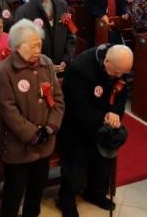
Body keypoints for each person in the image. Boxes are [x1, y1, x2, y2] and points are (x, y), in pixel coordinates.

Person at [0, 19, 64, 217]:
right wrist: (32, 134)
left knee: (36, 191)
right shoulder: (5, 70)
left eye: (39, 44)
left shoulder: (46, 63)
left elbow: (58, 99)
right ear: (18, 47)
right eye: (32, 45)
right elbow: (8, 109)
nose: (38, 50)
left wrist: (50, 127)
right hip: (17, 146)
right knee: (13, 193)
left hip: (45, 143)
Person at [57, 44, 133, 216]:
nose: (119, 76)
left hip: (103, 121)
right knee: (75, 165)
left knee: (103, 162)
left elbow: (122, 93)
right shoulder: (80, 69)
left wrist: (115, 113)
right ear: (106, 61)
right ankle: (66, 200)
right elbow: (77, 107)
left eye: (122, 73)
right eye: (116, 72)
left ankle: (95, 193)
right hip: (75, 124)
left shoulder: (120, 65)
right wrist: (105, 117)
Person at [15, 0, 75, 72]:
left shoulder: (62, 5)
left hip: (63, 66)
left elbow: (71, 34)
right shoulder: (24, 11)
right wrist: (44, 64)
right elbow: (22, 45)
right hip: (38, 69)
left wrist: (67, 59)